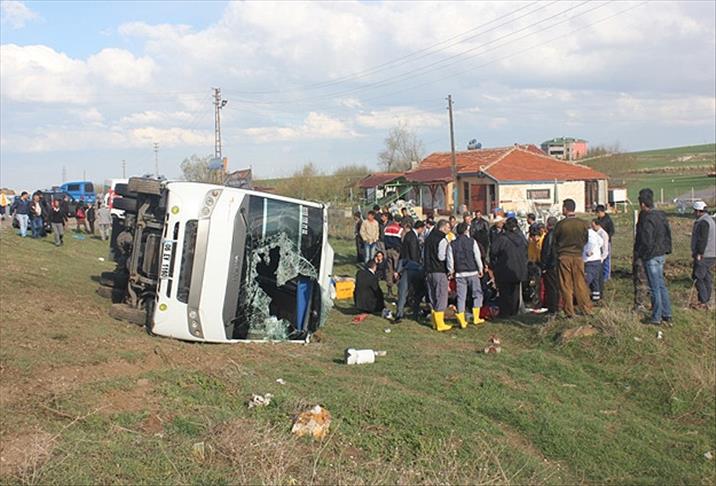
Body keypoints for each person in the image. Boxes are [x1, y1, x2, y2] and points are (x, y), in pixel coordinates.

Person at [634, 188, 672, 325]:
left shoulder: (646, 218)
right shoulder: (661, 215)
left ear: (643, 204)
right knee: (661, 285)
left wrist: (641, 254)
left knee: (654, 287)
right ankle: (667, 313)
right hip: (661, 253)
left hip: (650, 256)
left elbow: (646, 239)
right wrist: (667, 249)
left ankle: (656, 317)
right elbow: (667, 233)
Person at [553, 198, 591, 318]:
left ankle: (569, 311)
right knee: (580, 283)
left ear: (565, 209)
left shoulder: (560, 225)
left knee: (566, 285)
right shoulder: (583, 224)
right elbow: (586, 239)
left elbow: (555, 242)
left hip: (564, 256)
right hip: (578, 256)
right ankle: (586, 309)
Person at [447, 222, 485, 328]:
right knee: (477, 293)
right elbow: (477, 256)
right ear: (466, 231)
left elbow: (450, 260)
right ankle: (476, 317)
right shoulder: (472, 242)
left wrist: (451, 271)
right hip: (472, 271)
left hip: (460, 273)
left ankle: (461, 319)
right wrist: (480, 268)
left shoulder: (452, 244)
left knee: (461, 296)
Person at [490, 217, 528, 317]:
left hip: (505, 268)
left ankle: (505, 312)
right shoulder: (521, 238)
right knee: (515, 292)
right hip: (518, 269)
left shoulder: (502, 239)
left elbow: (493, 251)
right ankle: (514, 311)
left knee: (505, 292)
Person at [394, 221, 426, 323]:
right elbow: (413, 253)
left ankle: (399, 313)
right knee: (416, 292)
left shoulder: (408, 235)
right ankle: (415, 313)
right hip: (413, 267)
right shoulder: (413, 237)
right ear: (421, 228)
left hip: (406, 266)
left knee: (403, 292)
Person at [424, 219, 451, 331]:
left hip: (428, 271)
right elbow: (441, 256)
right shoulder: (442, 239)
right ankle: (440, 324)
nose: (449, 230)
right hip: (439, 271)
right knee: (441, 296)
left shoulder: (428, 238)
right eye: (448, 227)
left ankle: (435, 322)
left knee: (433, 296)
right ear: (443, 228)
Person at [690, 201, 716, 309]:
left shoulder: (703, 222)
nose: (693, 213)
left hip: (705, 254)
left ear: (698, 211)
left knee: (697, 276)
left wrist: (699, 253)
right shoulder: (709, 220)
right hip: (711, 253)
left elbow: (702, 240)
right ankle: (707, 299)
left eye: (694, 211)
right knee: (706, 276)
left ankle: (703, 301)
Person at [540, 216, 560, 314]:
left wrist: (543, 266)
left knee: (551, 288)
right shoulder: (559, 234)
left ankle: (552, 308)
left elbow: (546, 251)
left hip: (550, 265)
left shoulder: (550, 235)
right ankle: (556, 307)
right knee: (556, 287)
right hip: (558, 263)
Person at [382, 214, 403, 297]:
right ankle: (399, 290)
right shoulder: (400, 229)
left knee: (389, 270)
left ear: (394, 220)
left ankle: (389, 290)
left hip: (388, 250)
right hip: (396, 251)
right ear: (400, 221)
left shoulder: (387, 228)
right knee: (397, 270)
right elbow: (402, 241)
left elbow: (384, 239)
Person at [583, 223, 604, 302]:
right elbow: (601, 242)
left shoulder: (589, 234)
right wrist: (596, 249)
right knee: (595, 280)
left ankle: (583, 297)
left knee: (587, 280)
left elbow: (591, 242)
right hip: (597, 260)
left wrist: (589, 251)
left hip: (590, 260)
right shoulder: (595, 233)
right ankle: (596, 297)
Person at [595, 204, 615, 282]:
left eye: (597, 212)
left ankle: (607, 276)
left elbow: (612, 231)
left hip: (607, 242)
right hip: (599, 242)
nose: (597, 214)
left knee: (606, 258)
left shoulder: (608, 220)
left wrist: (606, 238)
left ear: (601, 212)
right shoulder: (599, 219)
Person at [592, 218, 610, 299]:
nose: (592, 227)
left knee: (599, 278)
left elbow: (605, 248)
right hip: (595, 257)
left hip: (600, 258)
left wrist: (602, 258)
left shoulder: (603, 234)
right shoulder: (595, 233)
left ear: (598, 225)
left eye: (593, 226)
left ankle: (600, 293)